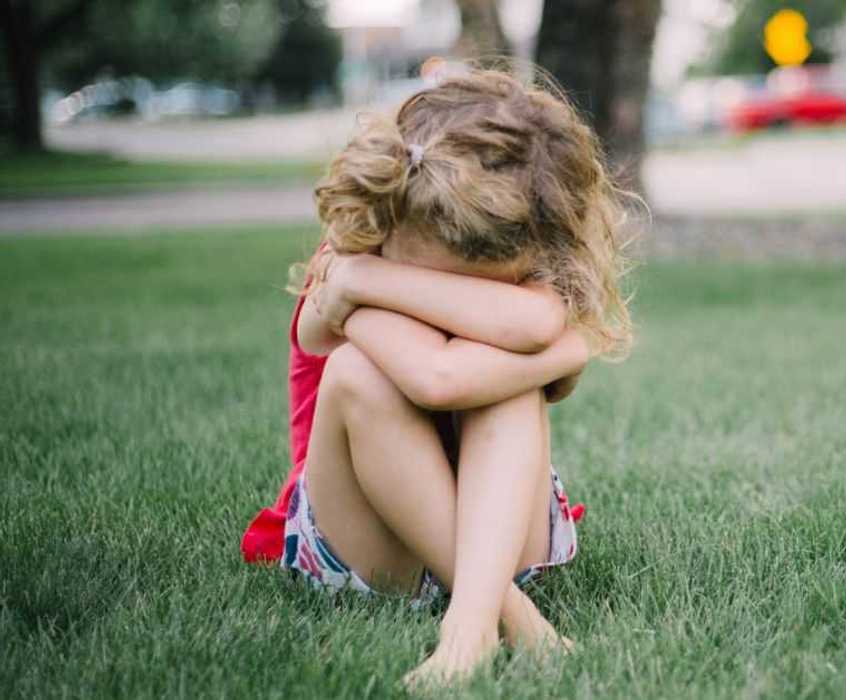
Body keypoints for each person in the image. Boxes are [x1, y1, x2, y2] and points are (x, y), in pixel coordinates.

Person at [239, 63, 634, 687]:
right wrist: (564, 353)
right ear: (394, 226)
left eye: (472, 290)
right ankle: (505, 616)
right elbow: (437, 378)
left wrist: (367, 285)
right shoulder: (358, 245)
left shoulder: (370, 273)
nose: (452, 297)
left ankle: (469, 625)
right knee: (355, 372)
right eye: (439, 280)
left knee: (505, 391)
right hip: (366, 547)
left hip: (502, 536)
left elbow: (529, 329)